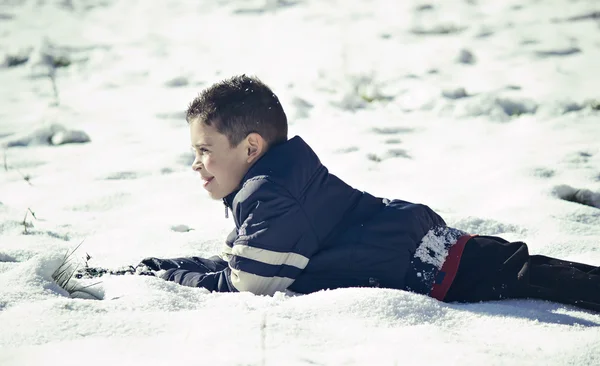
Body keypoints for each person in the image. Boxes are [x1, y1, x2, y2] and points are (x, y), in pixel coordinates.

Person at [79, 75, 600, 311]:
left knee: (537, 277)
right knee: (529, 268)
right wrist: (153, 266)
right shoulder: (274, 184)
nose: (196, 164)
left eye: (206, 149)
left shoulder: (274, 197)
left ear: (252, 146)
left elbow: (245, 287)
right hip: (418, 242)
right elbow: (236, 261)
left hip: (429, 267)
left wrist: (170, 279)